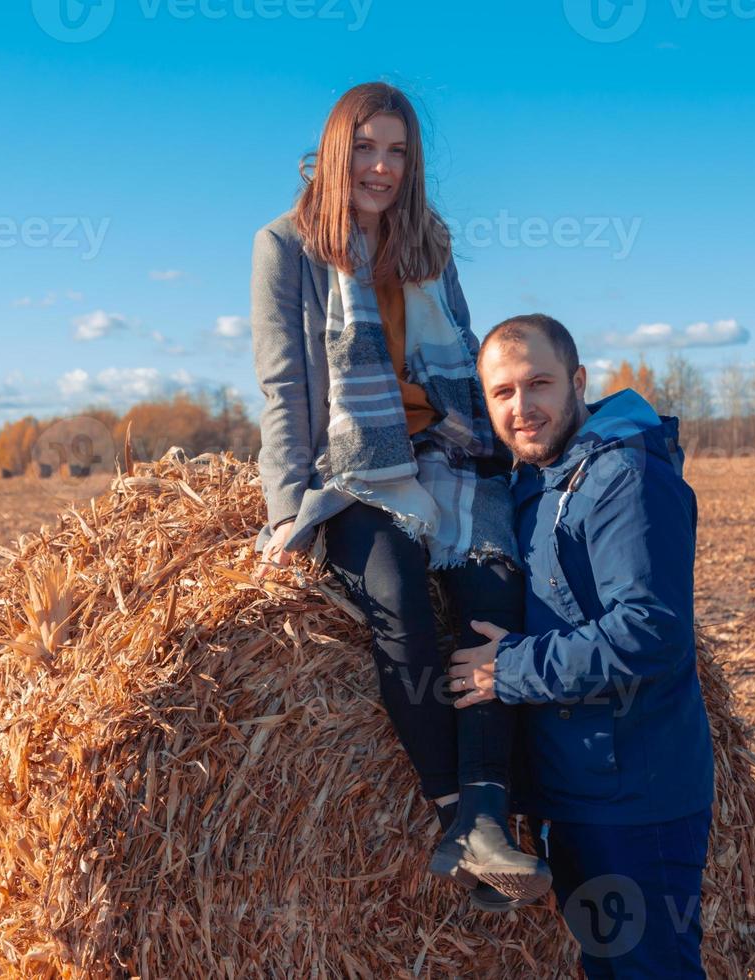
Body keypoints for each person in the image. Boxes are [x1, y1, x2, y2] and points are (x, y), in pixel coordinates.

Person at [249, 82, 551, 906]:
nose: (382, 167)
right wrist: (286, 515)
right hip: (355, 465)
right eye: (369, 149)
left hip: (443, 451)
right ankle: (454, 808)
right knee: (398, 601)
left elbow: (465, 358)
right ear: (337, 150)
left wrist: (522, 447)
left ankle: (490, 808)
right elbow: (285, 387)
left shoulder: (430, 242)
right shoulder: (286, 245)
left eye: (398, 153)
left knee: (494, 589)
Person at [449, 313, 715, 976]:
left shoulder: (623, 478)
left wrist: (507, 669)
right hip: (579, 792)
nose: (523, 406)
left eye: (538, 383)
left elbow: (650, 632)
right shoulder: (539, 483)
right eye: (502, 393)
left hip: (636, 797)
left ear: (578, 381)